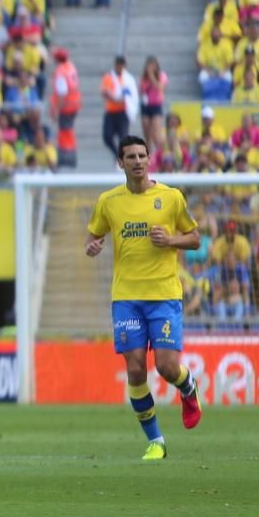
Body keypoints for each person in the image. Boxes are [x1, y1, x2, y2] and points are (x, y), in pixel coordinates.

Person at [85, 135, 203, 460]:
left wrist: (172, 240)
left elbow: (195, 239)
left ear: (150, 159)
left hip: (164, 294)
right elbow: (94, 235)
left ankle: (188, 387)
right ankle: (156, 441)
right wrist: (93, 246)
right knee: (136, 370)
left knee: (166, 367)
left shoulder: (171, 197)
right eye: (130, 156)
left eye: (142, 155)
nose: (137, 161)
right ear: (120, 163)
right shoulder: (109, 201)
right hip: (126, 296)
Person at [101, 56, 138, 163]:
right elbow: (106, 92)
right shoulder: (109, 77)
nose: (119, 67)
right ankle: (117, 155)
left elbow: (131, 95)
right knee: (107, 137)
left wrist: (120, 99)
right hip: (111, 111)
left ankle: (122, 159)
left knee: (123, 138)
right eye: (118, 64)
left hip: (122, 112)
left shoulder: (128, 79)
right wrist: (116, 98)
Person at [49, 47, 81, 167]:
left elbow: (62, 92)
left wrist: (56, 109)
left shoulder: (60, 71)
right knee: (69, 131)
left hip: (66, 106)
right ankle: (70, 157)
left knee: (64, 132)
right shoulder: (70, 66)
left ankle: (66, 159)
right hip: (74, 104)